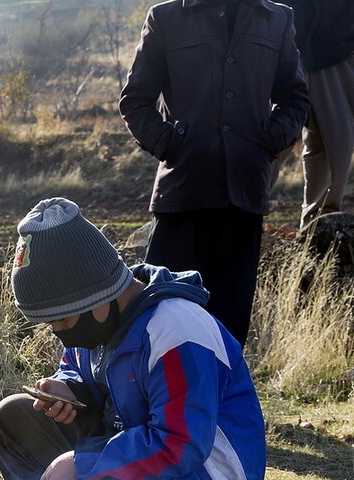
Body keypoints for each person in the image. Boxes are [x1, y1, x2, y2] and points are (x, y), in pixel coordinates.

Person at [0, 198, 266, 480]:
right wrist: (70, 388)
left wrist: (82, 463)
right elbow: (82, 368)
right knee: (12, 418)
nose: (58, 333)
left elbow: (180, 446)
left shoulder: (176, 330)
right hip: (137, 458)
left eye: (62, 321)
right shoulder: (99, 317)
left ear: (100, 297)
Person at [119, 0, 309, 346]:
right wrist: (171, 144)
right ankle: (160, 400)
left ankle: (222, 401)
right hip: (182, 192)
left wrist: (267, 142)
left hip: (245, 194)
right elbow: (134, 99)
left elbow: (295, 98)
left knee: (228, 329)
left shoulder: (276, 18)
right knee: (159, 321)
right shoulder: (167, 17)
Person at [278, 0, 354, 226]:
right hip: (285, 48)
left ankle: (320, 228)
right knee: (269, 139)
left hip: (338, 51)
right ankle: (245, 217)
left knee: (334, 144)